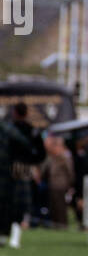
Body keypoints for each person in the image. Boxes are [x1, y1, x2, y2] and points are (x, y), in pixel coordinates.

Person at [1, 105, 46, 247]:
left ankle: (5, 236)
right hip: (23, 168)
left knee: (6, 203)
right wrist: (30, 162)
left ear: (14, 112)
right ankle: (14, 237)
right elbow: (41, 153)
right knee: (20, 204)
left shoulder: (7, 129)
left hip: (6, 169)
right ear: (26, 113)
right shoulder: (32, 130)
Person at [41, 134, 75, 228]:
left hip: (61, 185)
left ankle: (62, 225)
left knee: (61, 207)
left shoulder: (64, 158)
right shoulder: (51, 158)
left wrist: (70, 184)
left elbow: (70, 172)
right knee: (54, 206)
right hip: (53, 185)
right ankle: (56, 224)